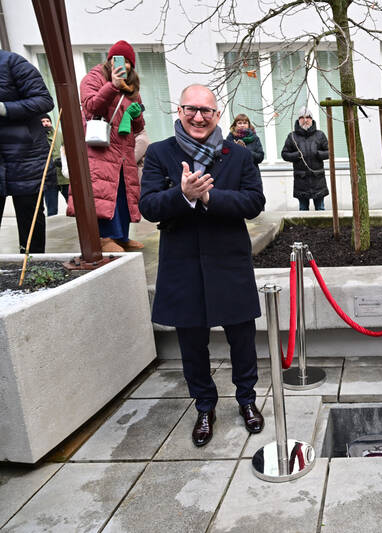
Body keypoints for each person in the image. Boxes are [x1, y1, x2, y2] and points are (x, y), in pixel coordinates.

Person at [139, 84, 266, 447]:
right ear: (179, 111)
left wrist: (209, 196)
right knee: (192, 345)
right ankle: (205, 407)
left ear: (217, 114)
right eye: (190, 109)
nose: (198, 117)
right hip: (182, 265)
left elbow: (254, 202)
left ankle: (247, 400)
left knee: (242, 339)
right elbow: (148, 206)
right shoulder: (160, 152)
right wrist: (182, 195)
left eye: (206, 110)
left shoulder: (238, 155)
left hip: (228, 261)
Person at [68, 40, 145, 252]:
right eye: (118, 59)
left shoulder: (132, 88)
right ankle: (104, 237)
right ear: (109, 59)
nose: (122, 65)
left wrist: (137, 115)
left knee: (123, 192)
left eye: (128, 62)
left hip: (124, 149)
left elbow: (139, 126)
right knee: (103, 191)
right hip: (100, 147)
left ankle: (121, 237)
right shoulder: (93, 78)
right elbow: (91, 107)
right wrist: (112, 86)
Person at [0, 50, 55, 253]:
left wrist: (4, 108)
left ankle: (33, 266)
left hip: (25, 157)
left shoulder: (12, 62)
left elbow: (44, 100)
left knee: (30, 222)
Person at [281, 107, 329, 210]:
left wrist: (318, 154)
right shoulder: (292, 136)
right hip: (301, 181)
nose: (305, 120)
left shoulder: (320, 135)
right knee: (303, 211)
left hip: (318, 180)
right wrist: (297, 155)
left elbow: (330, 152)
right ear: (298, 120)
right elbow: (284, 154)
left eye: (308, 117)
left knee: (320, 210)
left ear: (312, 119)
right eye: (302, 118)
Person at [41, 114, 67, 215]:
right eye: (43, 122)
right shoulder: (37, 138)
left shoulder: (59, 134)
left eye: (47, 121)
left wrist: (63, 160)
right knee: (52, 210)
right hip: (49, 179)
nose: (46, 123)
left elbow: (67, 149)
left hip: (64, 177)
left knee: (73, 205)